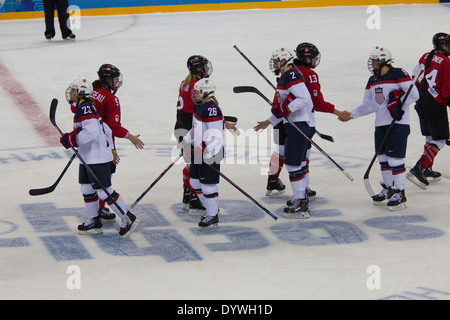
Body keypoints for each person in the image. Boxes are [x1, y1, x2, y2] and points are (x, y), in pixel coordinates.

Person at [255, 43, 348, 199]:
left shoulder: (289, 73)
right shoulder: (306, 74)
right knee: (302, 154)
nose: (315, 60)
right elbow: (316, 103)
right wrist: (337, 112)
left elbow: (285, 100)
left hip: (280, 117)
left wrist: (273, 117)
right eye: (314, 58)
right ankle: (303, 189)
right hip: (294, 118)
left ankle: (272, 181)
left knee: (280, 150)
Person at [340, 47, 419, 210]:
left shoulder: (399, 73)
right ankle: (389, 189)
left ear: (384, 61)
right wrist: (352, 115)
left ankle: (400, 193)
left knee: (395, 160)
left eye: (375, 61)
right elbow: (369, 104)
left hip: (398, 124)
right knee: (383, 160)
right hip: (380, 124)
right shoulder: (372, 80)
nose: (372, 64)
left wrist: (398, 100)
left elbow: (414, 94)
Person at [60, 79, 139, 237]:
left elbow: (92, 132)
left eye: (73, 90)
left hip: (97, 157)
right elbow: (105, 130)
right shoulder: (84, 107)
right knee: (86, 188)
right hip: (88, 156)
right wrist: (75, 136)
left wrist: (72, 140)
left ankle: (128, 218)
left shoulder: (85, 108)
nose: (70, 93)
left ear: (80, 93)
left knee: (104, 191)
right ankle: (94, 220)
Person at [174, 55, 238, 215]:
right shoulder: (198, 86)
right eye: (205, 66)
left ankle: (188, 196)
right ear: (198, 69)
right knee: (197, 164)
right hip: (192, 125)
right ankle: (196, 201)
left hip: (183, 124)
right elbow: (206, 110)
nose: (208, 69)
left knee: (191, 164)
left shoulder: (186, 81)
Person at [256, 47, 315, 218]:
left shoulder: (291, 76)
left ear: (284, 61)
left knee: (293, 165)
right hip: (298, 125)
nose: (273, 64)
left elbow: (304, 99)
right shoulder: (287, 76)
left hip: (299, 125)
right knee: (300, 163)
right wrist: (269, 121)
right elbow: (283, 108)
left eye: (275, 61)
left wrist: (287, 107)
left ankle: (301, 204)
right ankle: (302, 198)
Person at [90, 64, 144, 220]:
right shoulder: (111, 99)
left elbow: (76, 109)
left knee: (89, 182)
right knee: (103, 182)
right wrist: (130, 136)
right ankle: (119, 215)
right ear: (107, 80)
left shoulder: (90, 93)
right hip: (103, 145)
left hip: (88, 143)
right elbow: (112, 127)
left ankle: (97, 211)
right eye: (114, 80)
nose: (117, 82)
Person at [178, 78, 224, 228]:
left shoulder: (212, 109)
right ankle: (212, 208)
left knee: (208, 185)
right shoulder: (199, 107)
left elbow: (215, 135)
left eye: (197, 92)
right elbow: (195, 128)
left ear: (206, 92)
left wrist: (205, 151)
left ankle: (212, 215)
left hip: (210, 153)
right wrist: (186, 140)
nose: (194, 94)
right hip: (198, 152)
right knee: (194, 182)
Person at [406, 33, 450, 189]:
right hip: (435, 104)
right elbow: (446, 89)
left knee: (431, 137)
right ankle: (419, 168)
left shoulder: (426, 56)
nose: (448, 47)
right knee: (440, 140)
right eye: (446, 45)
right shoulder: (446, 62)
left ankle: (427, 169)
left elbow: (414, 76)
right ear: (440, 45)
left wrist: (417, 96)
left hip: (421, 102)